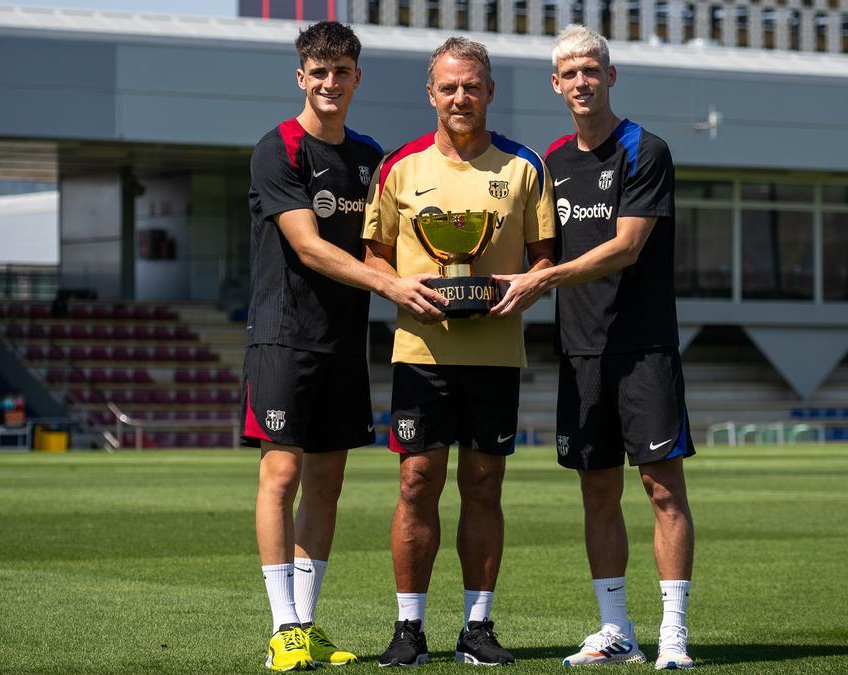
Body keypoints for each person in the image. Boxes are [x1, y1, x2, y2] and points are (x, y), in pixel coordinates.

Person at [489, 25, 696, 670]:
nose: (581, 82)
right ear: (556, 84)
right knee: (596, 492)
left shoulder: (645, 149)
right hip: (579, 352)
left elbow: (627, 246)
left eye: (591, 70)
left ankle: (673, 635)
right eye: (569, 73)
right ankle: (616, 631)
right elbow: (537, 247)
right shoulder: (550, 162)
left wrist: (541, 279)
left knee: (663, 489)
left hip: (643, 350)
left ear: (611, 76)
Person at [242, 20, 445, 672]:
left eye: (341, 72)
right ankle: (282, 627)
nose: (330, 83)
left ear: (357, 77)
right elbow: (307, 245)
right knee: (282, 474)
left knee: (328, 482)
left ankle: (305, 623)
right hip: (283, 339)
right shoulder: (279, 149)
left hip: (343, 344)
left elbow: (393, 242)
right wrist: (392, 284)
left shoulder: (371, 158)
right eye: (318, 73)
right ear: (302, 77)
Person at [362, 36, 556, 667]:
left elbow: (544, 258)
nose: (460, 97)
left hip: (496, 355)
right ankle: (408, 629)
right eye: (448, 87)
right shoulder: (399, 167)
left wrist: (524, 290)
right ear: (431, 94)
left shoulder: (524, 166)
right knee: (417, 483)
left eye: (472, 85)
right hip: (420, 351)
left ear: (490, 91)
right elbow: (375, 256)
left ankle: (477, 626)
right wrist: (399, 289)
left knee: (483, 485)